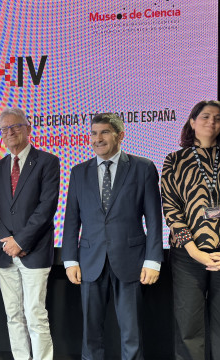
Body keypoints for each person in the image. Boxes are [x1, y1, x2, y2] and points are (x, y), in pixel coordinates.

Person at [61, 113, 164, 360]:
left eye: (105, 132)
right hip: (89, 262)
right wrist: (70, 260)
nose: (98, 139)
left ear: (120, 135)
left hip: (131, 261)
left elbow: (154, 218)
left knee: (131, 334)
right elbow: (71, 220)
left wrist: (153, 260)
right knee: (90, 334)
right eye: (94, 133)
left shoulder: (143, 168)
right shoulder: (78, 172)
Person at [161, 100, 220, 359]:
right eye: (205, 117)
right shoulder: (174, 160)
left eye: (217, 118)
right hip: (187, 255)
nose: (211, 122)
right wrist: (195, 252)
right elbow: (171, 209)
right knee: (188, 328)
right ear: (192, 122)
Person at [0, 107, 60, 360]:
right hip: (5, 253)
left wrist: (21, 241)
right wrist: (7, 242)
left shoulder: (48, 162)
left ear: (28, 129)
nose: (10, 132)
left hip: (35, 251)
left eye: (16, 126)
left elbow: (47, 207)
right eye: (4, 128)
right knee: (13, 315)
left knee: (35, 314)